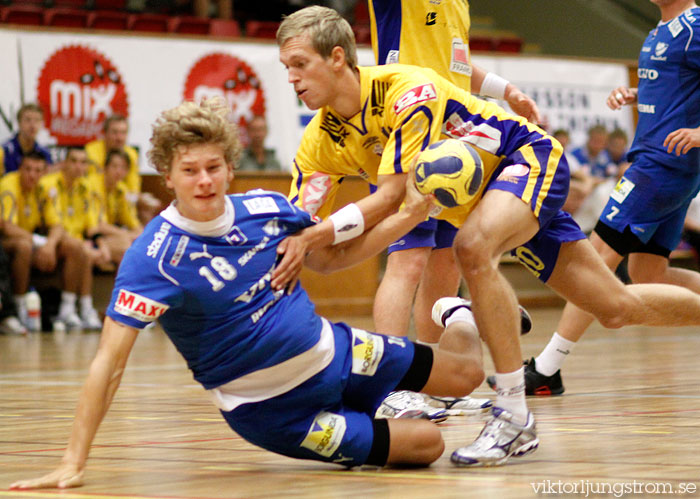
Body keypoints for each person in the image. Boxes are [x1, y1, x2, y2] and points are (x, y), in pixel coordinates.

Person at [274, 5, 700, 466]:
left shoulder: (403, 89)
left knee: (471, 247)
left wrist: (316, 238)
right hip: (488, 200)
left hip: (526, 157)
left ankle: (514, 415)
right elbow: (320, 249)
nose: (292, 79)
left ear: (338, 58)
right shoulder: (319, 142)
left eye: (300, 65)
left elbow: (392, 196)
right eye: (286, 68)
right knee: (617, 307)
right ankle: (471, 316)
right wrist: (297, 246)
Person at [9, 99, 492, 490]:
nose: (204, 181)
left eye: (213, 167)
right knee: (428, 444)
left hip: (339, 352)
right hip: (276, 412)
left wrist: (406, 218)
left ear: (229, 166)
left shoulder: (266, 208)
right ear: (167, 174)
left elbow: (330, 258)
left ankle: (457, 314)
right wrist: (73, 461)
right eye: (190, 170)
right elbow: (108, 364)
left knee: (468, 374)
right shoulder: (152, 258)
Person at [495, 0, 700, 397]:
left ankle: (548, 368)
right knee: (647, 275)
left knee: (596, 258)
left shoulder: (695, 25)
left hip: (661, 166)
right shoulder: (662, 29)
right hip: (660, 163)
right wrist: (638, 94)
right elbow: (681, 85)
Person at [38, 147, 106, 330]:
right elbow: (54, 222)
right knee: (80, 249)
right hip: (48, 236)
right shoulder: (49, 184)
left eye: (83, 162)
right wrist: (83, 244)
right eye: (74, 161)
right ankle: (69, 309)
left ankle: (84, 307)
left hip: (75, 240)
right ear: (65, 163)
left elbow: (91, 223)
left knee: (91, 249)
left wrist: (101, 245)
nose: (78, 166)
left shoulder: (85, 187)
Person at [87, 149, 142, 267]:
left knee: (138, 245)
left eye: (123, 168)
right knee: (126, 246)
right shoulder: (92, 186)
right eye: (115, 166)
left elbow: (133, 222)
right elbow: (98, 225)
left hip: (109, 235)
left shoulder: (122, 190)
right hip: (89, 236)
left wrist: (141, 235)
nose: (118, 171)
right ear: (105, 167)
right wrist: (124, 234)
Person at [84, 114, 141, 197]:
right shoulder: (90, 152)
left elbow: (133, 188)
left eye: (123, 133)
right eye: (115, 132)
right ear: (105, 133)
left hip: (120, 201)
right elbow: (92, 183)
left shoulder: (131, 154)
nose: (119, 138)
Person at [0, 103, 53, 175]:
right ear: (19, 123)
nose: (33, 125)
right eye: (28, 120)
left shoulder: (45, 153)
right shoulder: (4, 151)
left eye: (37, 120)